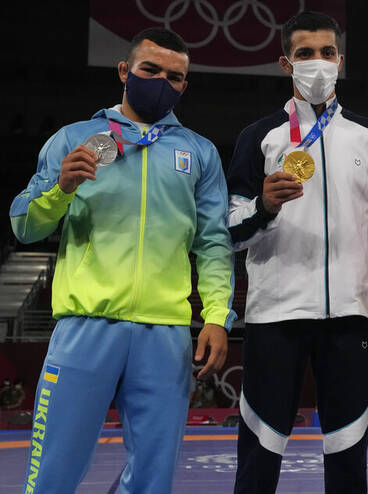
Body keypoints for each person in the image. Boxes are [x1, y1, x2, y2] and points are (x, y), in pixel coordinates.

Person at [9, 27, 236, 494]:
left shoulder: (199, 152)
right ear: (124, 71)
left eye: (174, 77)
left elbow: (213, 242)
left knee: (154, 478)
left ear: (185, 85)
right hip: (85, 327)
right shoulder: (75, 139)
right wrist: (61, 190)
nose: (162, 82)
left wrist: (217, 315)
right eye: (150, 70)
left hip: (165, 333)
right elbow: (24, 226)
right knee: (53, 471)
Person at [227, 11, 368, 494]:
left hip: (349, 315)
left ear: (340, 60)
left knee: (348, 452)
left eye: (327, 52)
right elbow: (231, 232)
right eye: (305, 53)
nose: (318, 62)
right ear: (286, 63)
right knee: (260, 452)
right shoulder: (258, 137)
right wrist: (264, 206)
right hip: (275, 315)